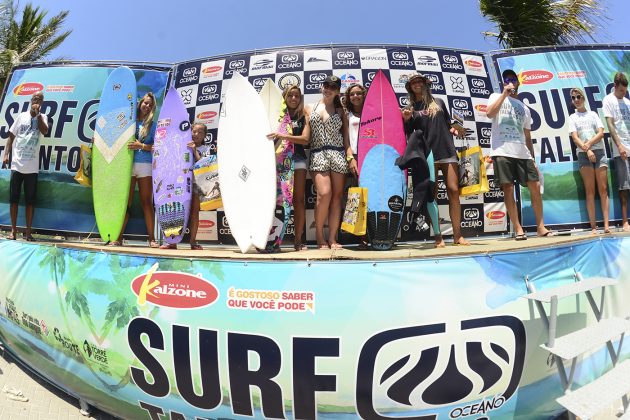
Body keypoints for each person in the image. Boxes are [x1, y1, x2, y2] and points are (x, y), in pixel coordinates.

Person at [485, 69, 555, 240]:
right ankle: (518, 228)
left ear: (518, 83)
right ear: (504, 83)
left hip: (522, 152)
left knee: (535, 186)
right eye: (507, 79)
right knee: (508, 189)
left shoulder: (524, 107)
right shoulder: (495, 97)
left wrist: (532, 157)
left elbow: (528, 135)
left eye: (513, 80)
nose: (510, 82)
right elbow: (489, 113)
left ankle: (540, 226)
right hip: (502, 150)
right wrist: (503, 94)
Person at [401, 72, 469, 247]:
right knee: (432, 196)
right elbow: (410, 135)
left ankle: (457, 236)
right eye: (413, 82)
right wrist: (407, 120)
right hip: (427, 154)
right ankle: (438, 237)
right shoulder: (410, 108)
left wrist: (456, 129)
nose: (417, 84)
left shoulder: (439, 102)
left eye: (420, 81)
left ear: (425, 84)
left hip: (446, 149)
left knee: (453, 191)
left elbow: (448, 124)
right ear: (410, 87)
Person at [305, 75, 353, 249]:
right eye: (326, 85)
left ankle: (332, 238)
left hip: (338, 154)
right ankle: (319, 235)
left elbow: (346, 139)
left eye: (332, 87)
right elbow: (305, 136)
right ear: (322, 86)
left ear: (337, 91)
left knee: (337, 197)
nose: (328, 89)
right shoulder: (309, 108)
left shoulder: (342, 111)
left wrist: (350, 158)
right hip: (318, 153)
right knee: (324, 194)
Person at [267, 85, 311, 250]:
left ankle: (298, 240)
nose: (294, 99)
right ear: (284, 98)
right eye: (290, 96)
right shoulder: (277, 116)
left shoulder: (303, 116)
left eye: (297, 96)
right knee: (278, 200)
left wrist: (283, 136)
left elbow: (305, 139)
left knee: (298, 200)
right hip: (278, 160)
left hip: (298, 159)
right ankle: (271, 239)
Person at [2, 91, 49, 241]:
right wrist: (5, 154)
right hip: (16, 164)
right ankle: (13, 231)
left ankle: (28, 232)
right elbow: (11, 136)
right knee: (13, 199)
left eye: (39, 99)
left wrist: (38, 115)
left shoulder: (44, 117)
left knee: (30, 201)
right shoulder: (21, 116)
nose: (36, 100)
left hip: (32, 167)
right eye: (35, 98)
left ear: (42, 103)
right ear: (30, 100)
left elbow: (44, 131)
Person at [113, 92, 158, 247]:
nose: (147, 106)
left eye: (150, 105)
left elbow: (158, 147)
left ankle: (152, 239)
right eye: (146, 103)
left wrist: (142, 146)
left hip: (145, 165)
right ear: (140, 103)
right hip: (127, 165)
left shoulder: (153, 125)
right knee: (126, 203)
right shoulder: (129, 122)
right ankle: (117, 238)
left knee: (146, 202)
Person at [161, 122, 209, 250]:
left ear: (205, 135)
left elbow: (203, 166)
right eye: (194, 131)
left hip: (196, 183)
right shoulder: (181, 146)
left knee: (194, 212)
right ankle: (173, 241)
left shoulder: (206, 149)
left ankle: (193, 242)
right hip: (180, 183)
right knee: (177, 211)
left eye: (200, 132)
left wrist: (194, 151)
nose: (196, 134)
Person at [568, 87, 609, 234]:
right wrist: (587, 150)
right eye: (573, 98)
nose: (576, 100)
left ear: (583, 97)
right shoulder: (572, 118)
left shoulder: (593, 114)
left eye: (578, 96)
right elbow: (575, 137)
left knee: (603, 189)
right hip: (584, 155)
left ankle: (606, 226)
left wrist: (589, 145)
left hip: (599, 152)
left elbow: (601, 133)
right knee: (590, 191)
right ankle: (593, 227)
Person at [603, 72, 630, 231]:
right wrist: (619, 146)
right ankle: (625, 221)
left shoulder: (627, 102)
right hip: (621, 149)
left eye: (625, 90)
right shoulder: (608, 100)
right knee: (624, 186)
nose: (623, 93)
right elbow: (610, 125)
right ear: (615, 87)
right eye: (620, 90)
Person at [344, 83, 368, 248]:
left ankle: (369, 235)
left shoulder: (371, 112)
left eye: (359, 93)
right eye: (352, 94)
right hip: (355, 157)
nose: (356, 96)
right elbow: (345, 139)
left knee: (369, 196)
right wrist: (350, 158)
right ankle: (357, 236)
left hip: (370, 157)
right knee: (355, 197)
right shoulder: (346, 114)